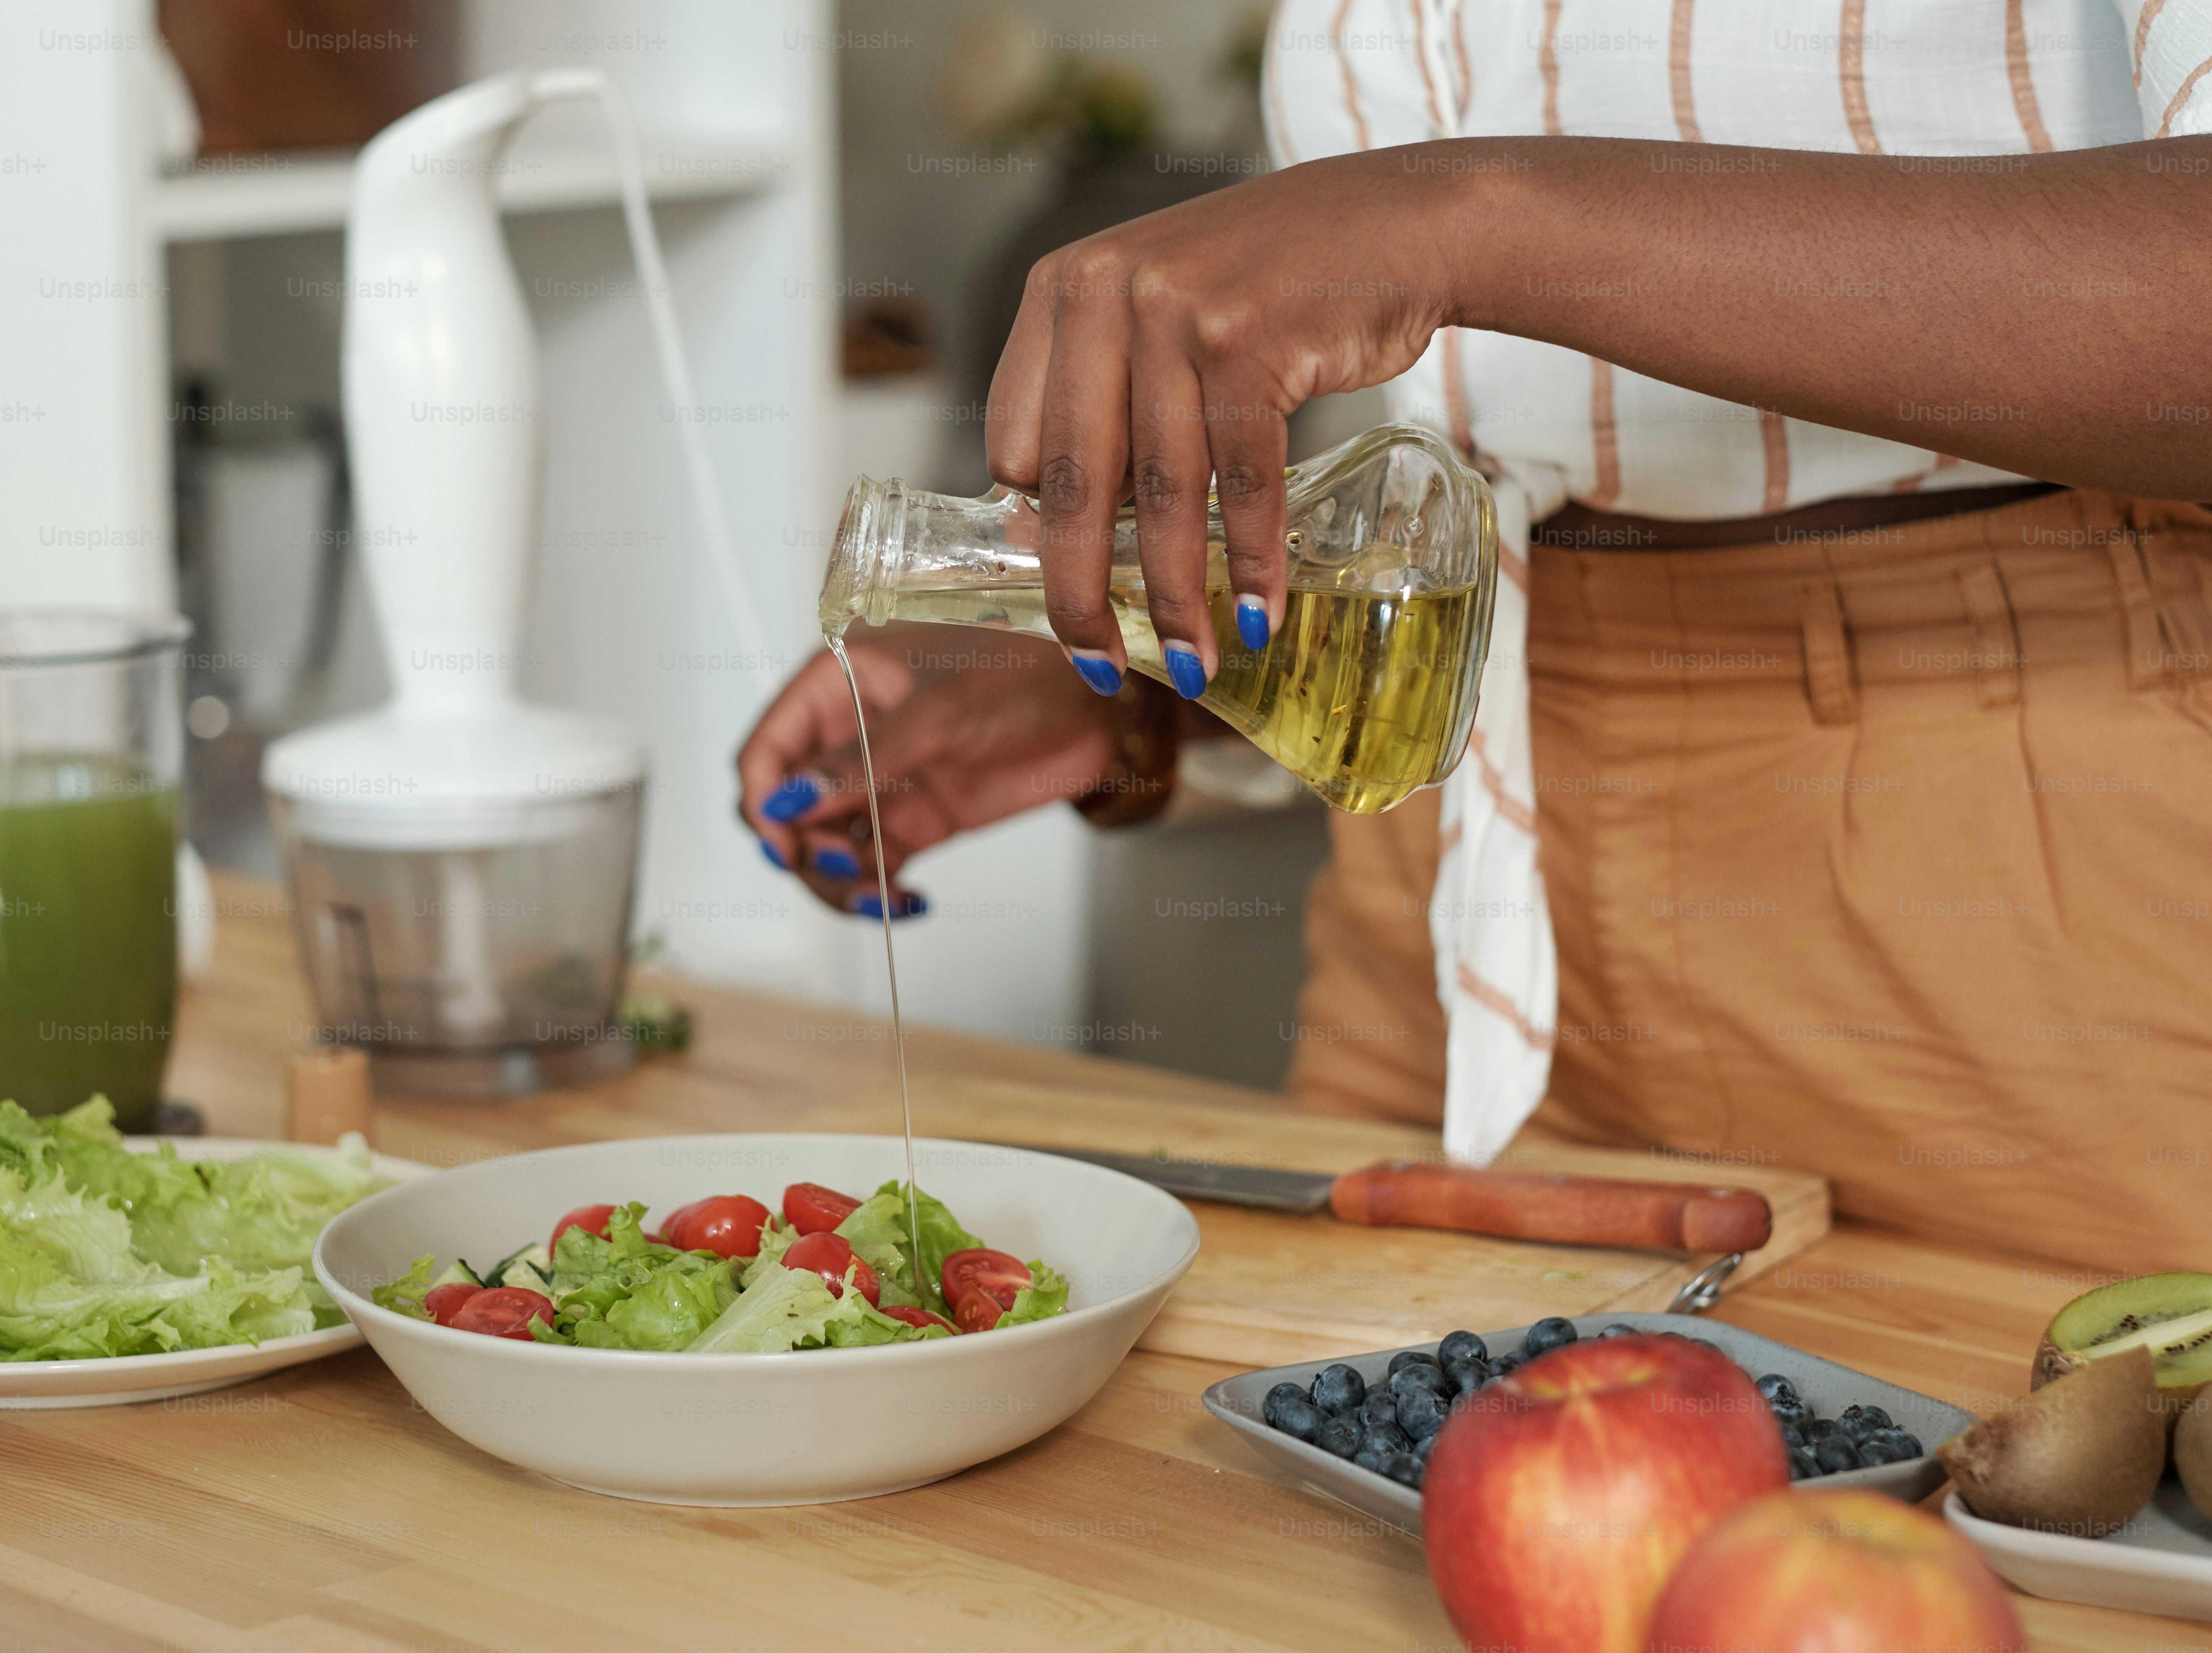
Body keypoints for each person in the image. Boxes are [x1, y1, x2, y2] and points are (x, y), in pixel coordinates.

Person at [742, 2, 2212, 1274]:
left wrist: (1470, 216)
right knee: (1312, 1544)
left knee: (2036, 1558)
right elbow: (1500, 468)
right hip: (1450, 901)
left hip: (2008, 899)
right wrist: (1164, 684)